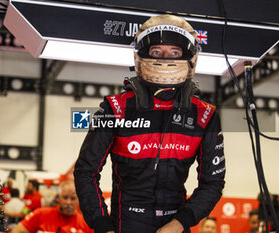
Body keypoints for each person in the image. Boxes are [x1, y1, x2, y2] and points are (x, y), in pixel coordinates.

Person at [74, 14, 226, 233]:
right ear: (140, 57)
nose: (165, 58)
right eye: (156, 51)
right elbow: (85, 171)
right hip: (124, 223)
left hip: (175, 224)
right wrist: (101, 224)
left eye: (175, 52)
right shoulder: (114, 108)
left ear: (190, 58)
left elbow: (214, 181)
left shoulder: (205, 115)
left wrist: (180, 223)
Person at [11, 180, 93, 233]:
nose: (68, 202)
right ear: (58, 198)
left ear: (79, 200)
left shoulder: (86, 224)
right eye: (65, 197)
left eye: (73, 198)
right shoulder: (40, 214)